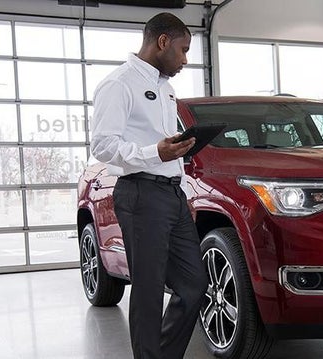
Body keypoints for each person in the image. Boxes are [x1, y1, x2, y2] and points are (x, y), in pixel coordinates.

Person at [90, 12, 208, 359]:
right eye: (183, 50)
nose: (186, 60)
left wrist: (181, 185)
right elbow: (102, 145)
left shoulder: (166, 89)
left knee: (193, 284)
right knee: (148, 289)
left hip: (171, 195)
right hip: (140, 194)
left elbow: (166, 148)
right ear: (162, 42)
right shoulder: (119, 83)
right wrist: (153, 152)